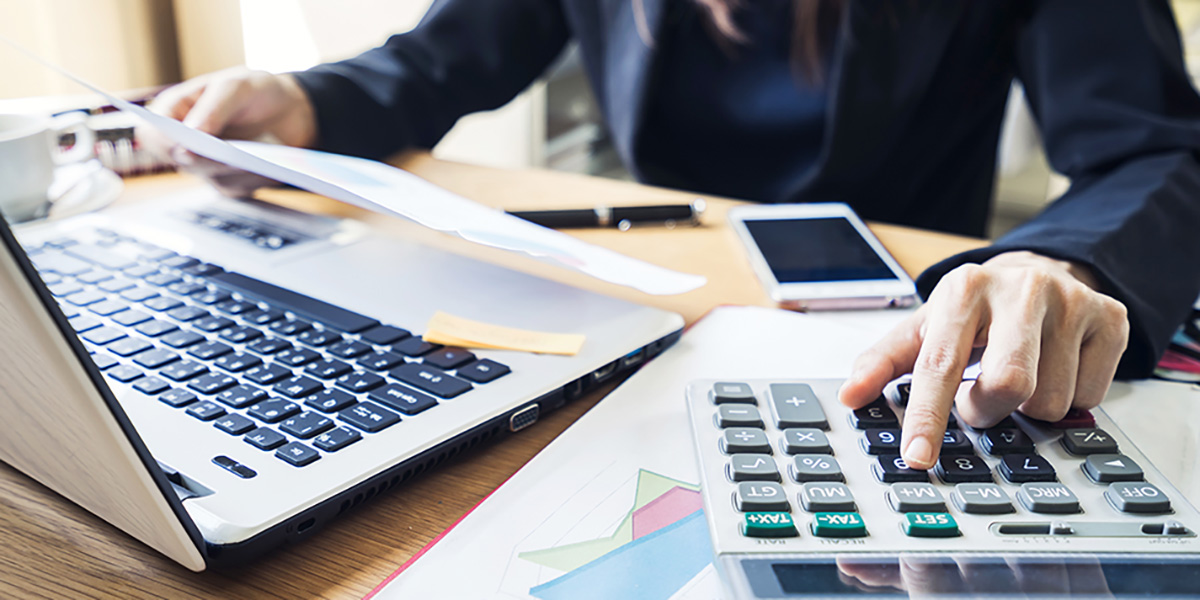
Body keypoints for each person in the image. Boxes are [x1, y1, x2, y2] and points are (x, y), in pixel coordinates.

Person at [150, 0, 1200, 471]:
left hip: (888, 330)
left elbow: (1156, 148)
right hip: (656, 316)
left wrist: (1057, 260)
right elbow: (438, 62)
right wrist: (298, 97)